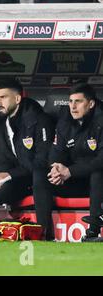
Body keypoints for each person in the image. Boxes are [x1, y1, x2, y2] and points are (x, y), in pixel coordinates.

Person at [39, 83, 103, 242]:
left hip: (97, 181)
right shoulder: (65, 119)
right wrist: (56, 168)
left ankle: (93, 231)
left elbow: (101, 160)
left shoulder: (101, 120)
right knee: (40, 175)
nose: (73, 107)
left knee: (98, 173)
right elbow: (56, 151)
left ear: (91, 103)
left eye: (78, 102)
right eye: (70, 101)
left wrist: (70, 171)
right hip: (76, 180)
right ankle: (44, 234)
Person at [0, 80, 54, 216]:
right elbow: (2, 157)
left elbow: (42, 161)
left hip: (42, 179)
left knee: (38, 175)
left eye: (3, 97)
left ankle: (44, 233)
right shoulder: (0, 123)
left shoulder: (40, 120)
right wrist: (3, 175)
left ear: (17, 98)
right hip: (20, 178)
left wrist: (10, 174)